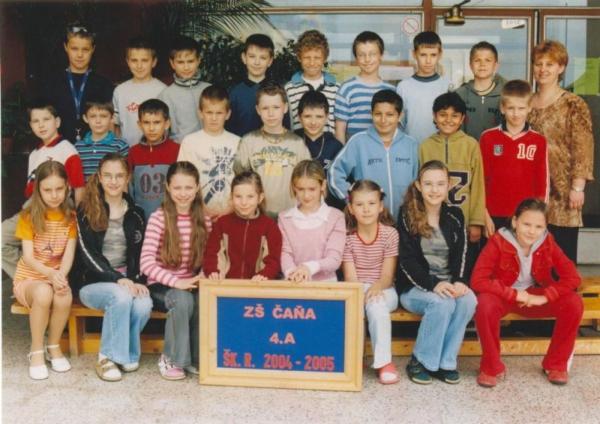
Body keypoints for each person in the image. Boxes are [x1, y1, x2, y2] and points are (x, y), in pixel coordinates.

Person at [471, 198, 583, 387]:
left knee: (574, 302)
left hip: (535, 296)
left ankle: (556, 365)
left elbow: (573, 277)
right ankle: (490, 367)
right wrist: (514, 294)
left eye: (539, 227)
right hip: (505, 296)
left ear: (545, 227)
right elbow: (478, 280)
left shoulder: (547, 241)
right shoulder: (498, 241)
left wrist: (545, 296)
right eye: (526, 224)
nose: (532, 231)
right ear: (515, 221)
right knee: (484, 304)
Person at [397, 160, 476, 385]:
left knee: (468, 300)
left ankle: (445, 362)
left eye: (440, 184)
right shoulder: (407, 214)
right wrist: (433, 284)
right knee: (442, 303)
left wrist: (460, 281)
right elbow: (406, 261)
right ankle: (420, 361)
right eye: (428, 184)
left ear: (449, 185)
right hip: (415, 288)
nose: (434, 190)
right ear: (419, 186)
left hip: (448, 283)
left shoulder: (455, 215)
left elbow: (463, 252)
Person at [75, 153, 152, 382]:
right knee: (120, 296)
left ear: (128, 178)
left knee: (144, 303)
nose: (113, 181)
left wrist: (137, 281)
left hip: (126, 280)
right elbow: (87, 254)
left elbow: (140, 253)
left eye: (119, 176)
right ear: (99, 177)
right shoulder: (86, 210)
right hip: (92, 283)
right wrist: (116, 278)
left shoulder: (136, 214)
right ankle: (106, 357)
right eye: (108, 175)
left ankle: (127, 352)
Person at [2, 100, 85, 279]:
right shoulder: (34, 154)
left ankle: (45, 279)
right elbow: (31, 191)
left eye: (46, 119)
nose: (41, 125)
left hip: (59, 210)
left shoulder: (67, 150)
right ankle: (31, 278)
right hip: (33, 209)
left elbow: (78, 188)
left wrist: (78, 218)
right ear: (31, 125)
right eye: (36, 121)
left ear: (57, 122)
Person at [140, 161, 208, 380]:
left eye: (188, 187)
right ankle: (171, 358)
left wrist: (203, 276)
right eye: (177, 187)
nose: (183, 193)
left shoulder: (204, 220)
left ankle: (195, 358)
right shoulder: (159, 218)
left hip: (191, 283)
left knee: (203, 300)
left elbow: (211, 258)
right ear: (168, 187)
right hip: (162, 285)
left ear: (197, 187)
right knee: (183, 300)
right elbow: (146, 263)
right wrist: (178, 283)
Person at [528, 40, 594, 263]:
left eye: (550, 64)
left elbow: (583, 147)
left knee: (561, 258)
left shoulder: (573, 104)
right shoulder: (526, 104)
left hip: (563, 191)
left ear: (561, 67)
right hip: (533, 189)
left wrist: (578, 186)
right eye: (538, 64)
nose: (543, 69)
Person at [13, 161, 77, 380]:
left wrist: (60, 276)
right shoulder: (28, 216)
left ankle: (53, 345)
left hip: (55, 276)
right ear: (38, 190)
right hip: (29, 279)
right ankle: (36, 349)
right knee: (43, 292)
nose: (54, 195)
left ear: (67, 186)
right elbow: (28, 258)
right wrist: (50, 274)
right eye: (47, 190)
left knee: (64, 294)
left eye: (59, 188)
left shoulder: (71, 218)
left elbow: (68, 255)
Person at [329, 89, 419, 221]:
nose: (383, 120)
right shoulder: (358, 142)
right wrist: (351, 198)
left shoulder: (411, 144)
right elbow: (334, 173)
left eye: (390, 114)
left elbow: (418, 182)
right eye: (378, 114)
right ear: (371, 114)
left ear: (400, 115)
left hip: (405, 221)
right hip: (369, 222)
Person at [342, 180, 400, 384]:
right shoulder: (347, 237)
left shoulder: (390, 234)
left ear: (380, 206)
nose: (366, 209)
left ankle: (384, 363)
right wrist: (362, 293)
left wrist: (376, 288)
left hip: (385, 289)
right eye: (359, 204)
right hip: (357, 287)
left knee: (376, 305)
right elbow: (350, 278)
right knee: (354, 307)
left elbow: (387, 276)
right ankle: (353, 359)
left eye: (372, 203)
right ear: (351, 208)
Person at [480, 80, 548, 234]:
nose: (516, 113)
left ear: (529, 107)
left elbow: (542, 183)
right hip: (493, 214)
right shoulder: (488, 138)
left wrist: (537, 217)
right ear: (502, 108)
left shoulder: (539, 141)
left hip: (525, 217)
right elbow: (481, 180)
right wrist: (483, 214)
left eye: (521, 108)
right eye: (511, 108)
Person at [234, 81, 310, 217]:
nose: (271, 113)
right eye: (265, 108)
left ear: (285, 108)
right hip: (257, 216)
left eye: (276, 107)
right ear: (258, 110)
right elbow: (240, 181)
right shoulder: (248, 141)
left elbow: (307, 181)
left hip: (291, 216)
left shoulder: (297, 143)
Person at [419, 92, 485, 244]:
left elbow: (478, 186)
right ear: (434, 116)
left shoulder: (471, 145)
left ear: (462, 119)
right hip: (433, 221)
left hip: (464, 221)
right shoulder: (425, 146)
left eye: (454, 116)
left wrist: (476, 221)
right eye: (443, 115)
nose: (448, 120)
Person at [203, 171, 282, 280]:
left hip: (258, 285)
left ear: (260, 198)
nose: (244, 202)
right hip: (225, 284)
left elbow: (273, 259)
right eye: (238, 196)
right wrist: (213, 271)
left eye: (250, 197)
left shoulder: (270, 226)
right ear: (231, 197)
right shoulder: (222, 224)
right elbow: (211, 254)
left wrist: (265, 274)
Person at [42, 23, 113, 144]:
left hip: (96, 148)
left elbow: (110, 122)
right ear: (65, 47)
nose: (80, 55)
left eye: (85, 49)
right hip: (61, 147)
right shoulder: (52, 83)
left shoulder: (104, 84)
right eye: (74, 49)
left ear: (93, 49)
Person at [177, 85, 240, 220]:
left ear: (228, 114)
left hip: (232, 213)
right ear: (200, 113)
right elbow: (183, 179)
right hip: (198, 214)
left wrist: (232, 208)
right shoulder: (190, 142)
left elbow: (243, 181)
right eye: (209, 112)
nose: (214, 118)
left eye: (219, 113)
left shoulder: (238, 142)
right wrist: (200, 208)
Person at [278, 160, 346, 282]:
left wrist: (308, 268)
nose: (306, 195)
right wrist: (292, 273)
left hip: (326, 286)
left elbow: (334, 259)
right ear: (294, 187)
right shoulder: (284, 218)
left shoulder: (336, 217)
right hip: (293, 283)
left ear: (323, 185)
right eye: (301, 189)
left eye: (312, 189)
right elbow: (285, 253)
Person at [334, 31, 395, 143]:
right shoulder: (346, 89)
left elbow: (395, 128)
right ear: (356, 58)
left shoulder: (391, 91)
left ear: (381, 55)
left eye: (372, 54)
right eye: (361, 55)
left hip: (383, 150)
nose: (367, 59)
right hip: (354, 151)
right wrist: (344, 153)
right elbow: (340, 131)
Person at [127, 99, 180, 219]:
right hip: (141, 218)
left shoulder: (177, 150)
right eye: (146, 122)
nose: (151, 128)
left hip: (170, 218)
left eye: (157, 122)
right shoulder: (133, 152)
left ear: (167, 124)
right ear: (139, 124)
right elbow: (130, 188)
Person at [396, 31, 452, 144]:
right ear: (414, 54)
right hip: (411, 148)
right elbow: (398, 124)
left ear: (440, 55)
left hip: (439, 149)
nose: (428, 61)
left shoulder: (447, 86)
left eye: (433, 55)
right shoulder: (403, 87)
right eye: (423, 55)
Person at [113, 36, 166, 146]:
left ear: (154, 62)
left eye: (144, 60)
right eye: (134, 60)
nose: (139, 66)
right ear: (127, 62)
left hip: (156, 151)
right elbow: (115, 125)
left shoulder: (163, 90)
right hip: (127, 152)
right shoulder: (120, 91)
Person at [158, 35, 210, 142]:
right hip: (180, 149)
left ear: (198, 60)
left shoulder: (209, 90)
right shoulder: (166, 95)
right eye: (180, 62)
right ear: (172, 63)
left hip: (209, 147)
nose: (186, 67)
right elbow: (164, 133)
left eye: (190, 61)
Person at [285, 30, 339, 133]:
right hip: (298, 142)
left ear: (324, 58)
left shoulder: (336, 88)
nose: (312, 63)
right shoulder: (289, 88)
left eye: (317, 58)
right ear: (299, 57)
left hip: (328, 142)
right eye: (307, 57)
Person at [455, 41, 506, 141]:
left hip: (496, 149)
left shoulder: (505, 95)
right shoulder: (459, 95)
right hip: (466, 150)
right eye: (477, 60)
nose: (482, 64)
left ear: (495, 65)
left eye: (488, 60)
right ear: (470, 65)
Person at [226, 34, 275, 137]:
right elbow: (229, 132)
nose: (257, 62)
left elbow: (286, 129)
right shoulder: (234, 93)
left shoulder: (278, 92)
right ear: (244, 58)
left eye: (263, 58)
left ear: (270, 61)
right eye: (252, 56)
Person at [75, 101, 129, 180]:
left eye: (103, 116)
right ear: (85, 118)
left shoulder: (120, 146)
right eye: (93, 116)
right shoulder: (78, 147)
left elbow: (125, 177)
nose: (98, 121)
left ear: (112, 118)